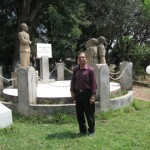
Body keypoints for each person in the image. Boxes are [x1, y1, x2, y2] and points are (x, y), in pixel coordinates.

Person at [70, 51, 97, 136]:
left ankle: (91, 131)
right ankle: (82, 130)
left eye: (83, 57)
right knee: (79, 113)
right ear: (78, 60)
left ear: (86, 59)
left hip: (87, 94)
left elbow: (93, 84)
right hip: (78, 94)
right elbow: (73, 81)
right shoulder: (75, 70)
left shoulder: (90, 70)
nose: (81, 59)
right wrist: (72, 91)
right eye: (79, 58)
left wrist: (93, 95)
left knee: (89, 113)